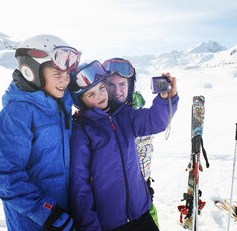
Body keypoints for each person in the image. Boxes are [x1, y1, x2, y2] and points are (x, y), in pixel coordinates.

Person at [69, 60, 179, 231]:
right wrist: (89, 225)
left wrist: (165, 100)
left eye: (101, 88)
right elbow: (79, 184)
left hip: (141, 212)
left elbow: (155, 121)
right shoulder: (82, 130)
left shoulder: (124, 115)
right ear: (81, 101)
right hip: (111, 222)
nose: (100, 96)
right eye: (91, 95)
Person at [0, 34, 79, 231]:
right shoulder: (15, 115)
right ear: (31, 72)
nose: (65, 80)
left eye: (68, 73)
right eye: (57, 73)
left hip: (66, 215)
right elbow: (7, 175)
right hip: (36, 222)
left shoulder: (61, 104)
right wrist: (48, 214)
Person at [102, 58, 159, 227]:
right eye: (111, 85)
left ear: (130, 86)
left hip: (143, 194)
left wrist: (165, 99)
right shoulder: (97, 115)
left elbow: (158, 119)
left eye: (122, 84)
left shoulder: (139, 111)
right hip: (112, 201)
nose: (117, 91)